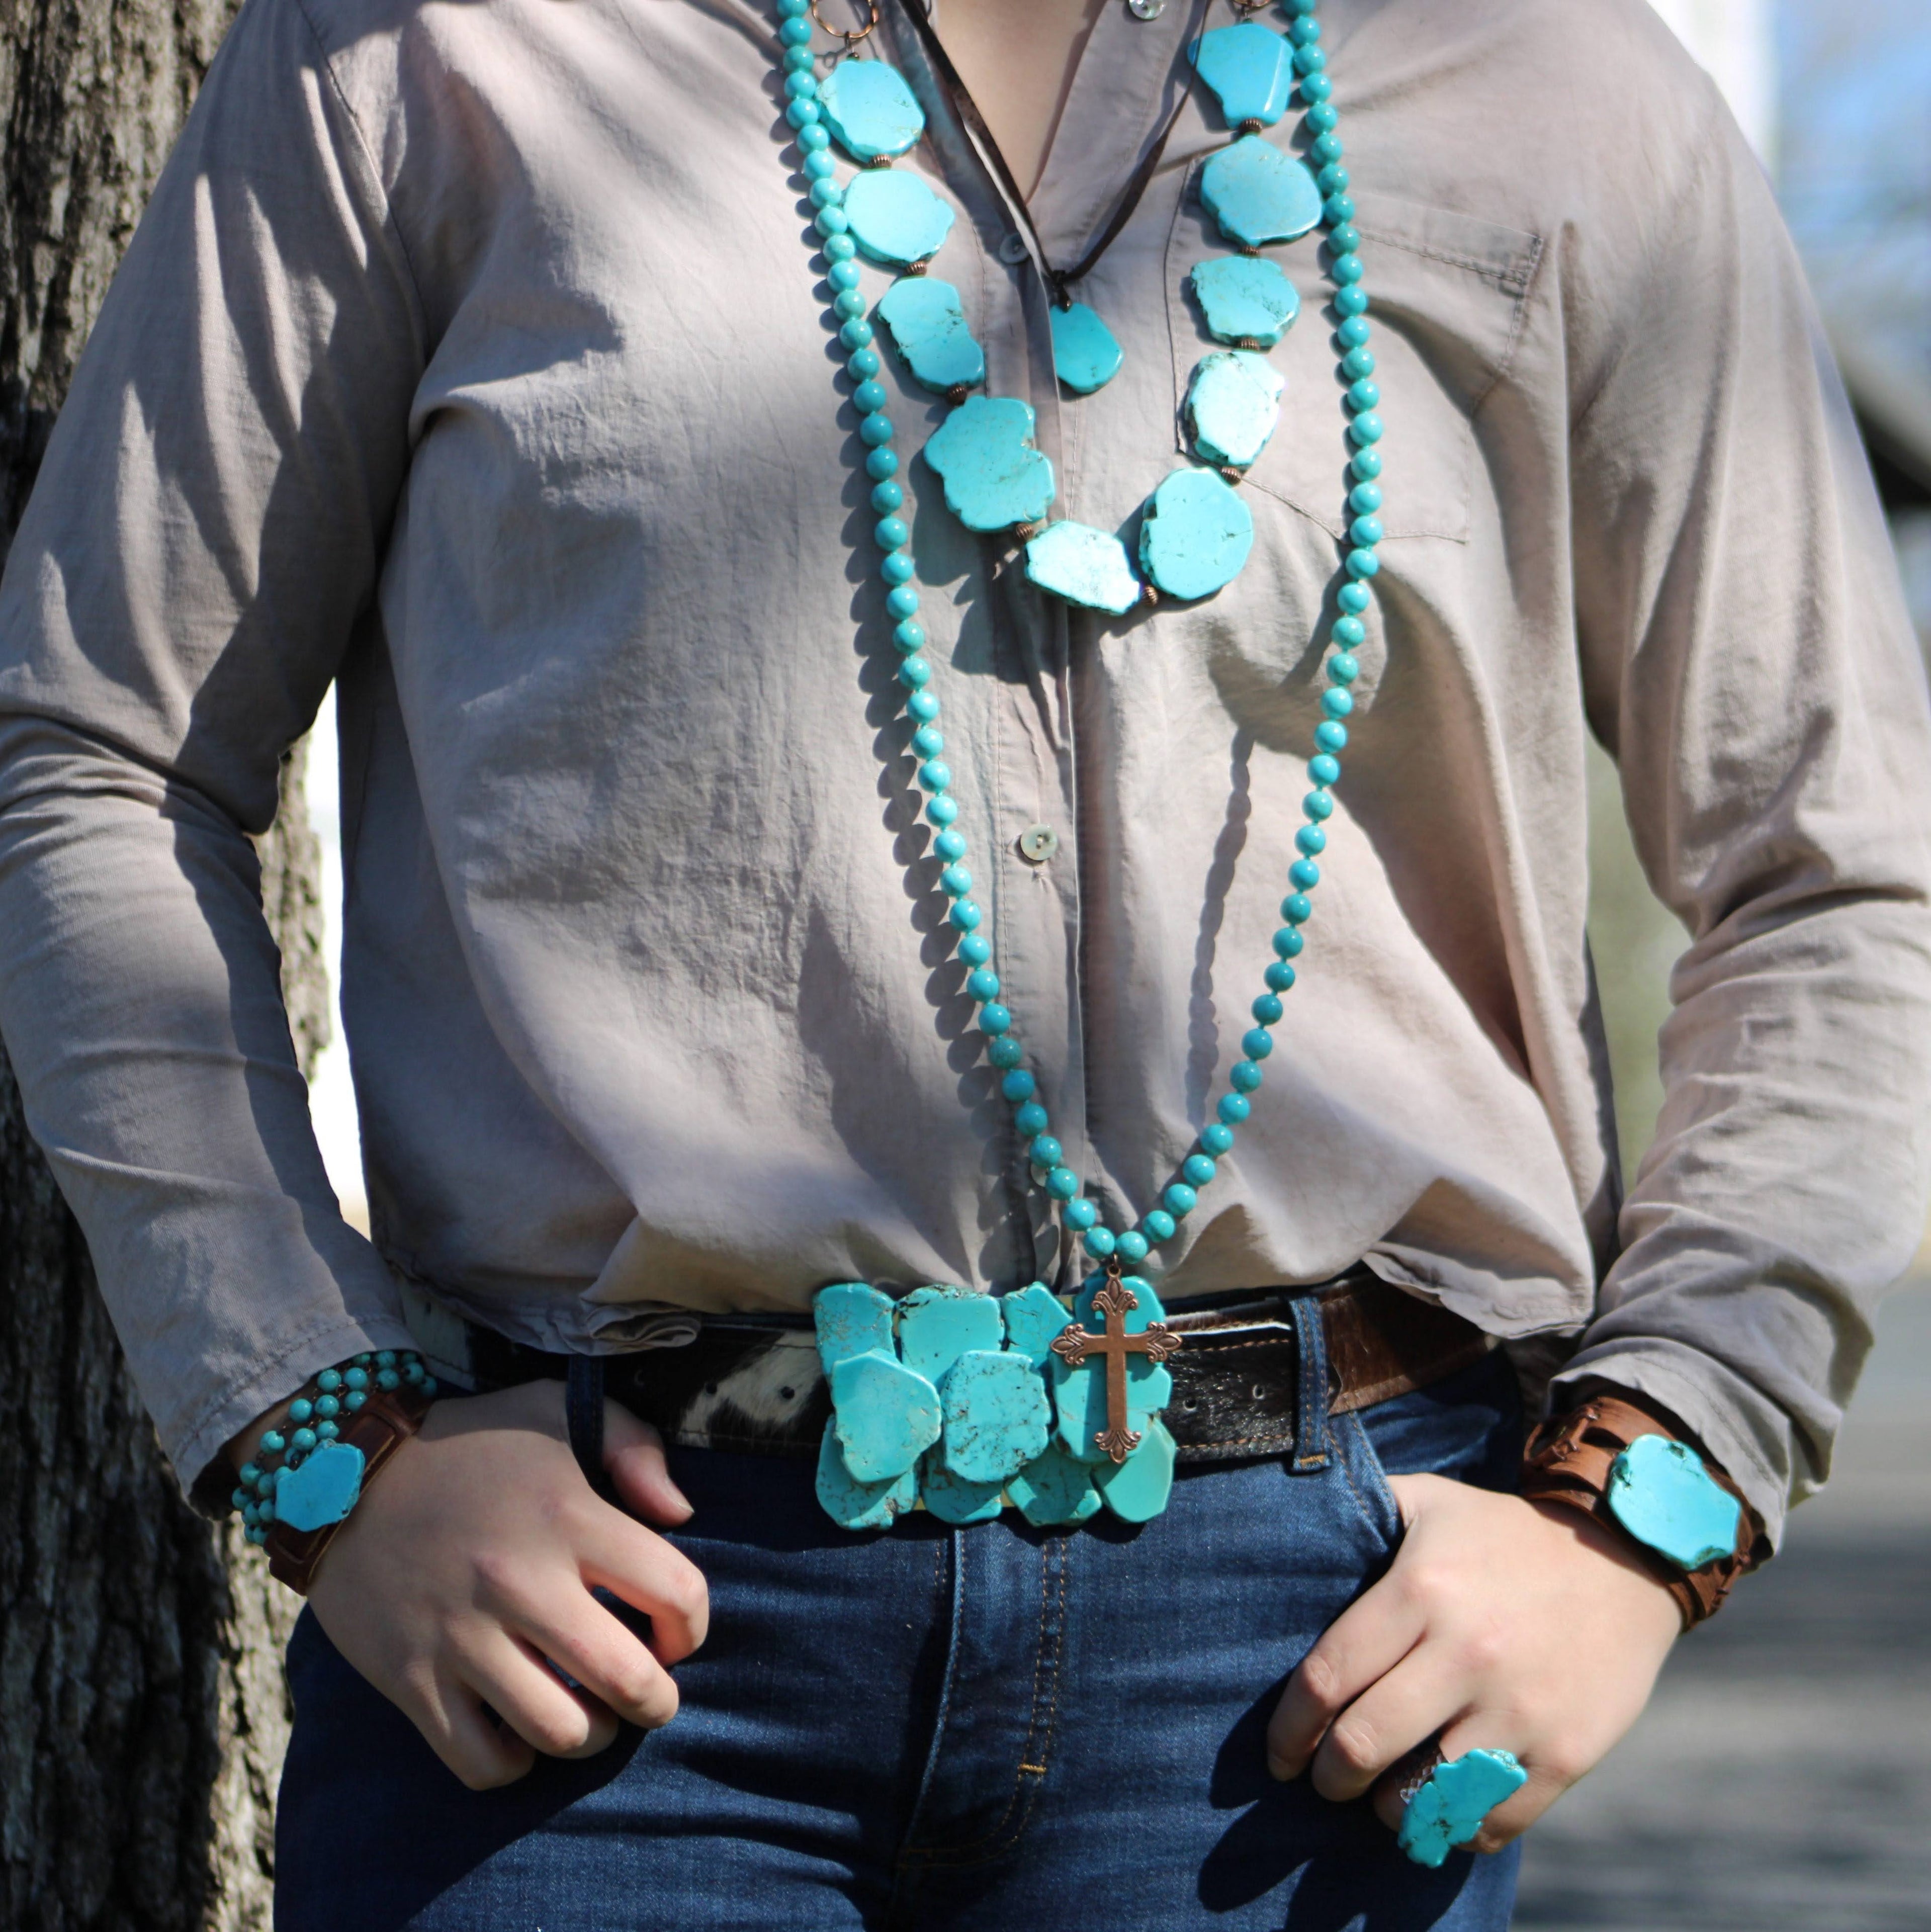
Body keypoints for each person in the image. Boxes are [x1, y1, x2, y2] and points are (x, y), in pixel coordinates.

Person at [1, 0, 1926, 1923]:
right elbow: (99, 751)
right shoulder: (423, 53)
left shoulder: (1554, 81)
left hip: (1307, 1664)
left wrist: (1647, 1495)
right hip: (586, 1659)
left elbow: (1845, 872)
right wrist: (326, 1434)